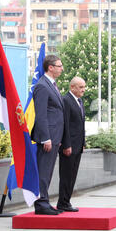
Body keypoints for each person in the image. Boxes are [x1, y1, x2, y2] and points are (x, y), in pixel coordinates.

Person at [31, 55, 65, 215]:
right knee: (43, 171)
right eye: (59, 66)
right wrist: (46, 137)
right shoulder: (42, 86)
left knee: (48, 171)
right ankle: (41, 203)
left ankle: (44, 200)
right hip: (48, 137)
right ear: (50, 67)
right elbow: (41, 115)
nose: (61, 68)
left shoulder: (52, 85)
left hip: (55, 136)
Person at [57, 77, 87, 212]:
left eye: (84, 87)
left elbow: (81, 125)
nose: (83, 90)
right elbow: (65, 125)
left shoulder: (79, 101)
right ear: (72, 87)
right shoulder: (66, 101)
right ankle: (62, 202)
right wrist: (66, 145)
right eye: (80, 87)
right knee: (66, 175)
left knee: (72, 175)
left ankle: (66, 201)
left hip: (78, 145)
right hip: (69, 146)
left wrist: (83, 142)